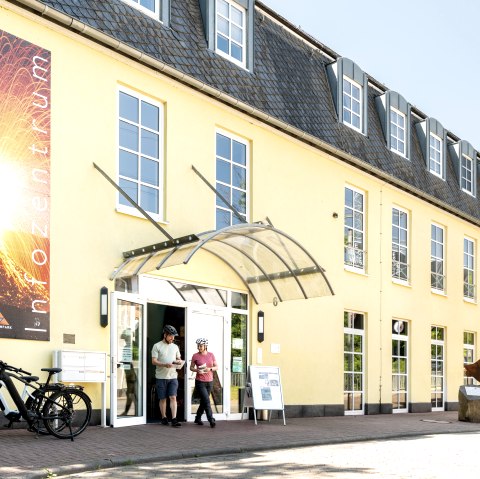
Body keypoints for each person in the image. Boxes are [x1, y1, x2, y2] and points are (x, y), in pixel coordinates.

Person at [151, 324, 184, 427]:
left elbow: (178, 358)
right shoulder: (157, 346)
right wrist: (164, 364)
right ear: (165, 335)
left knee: (173, 397)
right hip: (161, 377)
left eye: (174, 336)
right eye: (171, 336)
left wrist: (179, 362)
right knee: (163, 398)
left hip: (173, 376)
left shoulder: (175, 347)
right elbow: (154, 361)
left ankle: (174, 419)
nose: (173, 338)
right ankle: (164, 417)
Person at [189, 337, 218, 428]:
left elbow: (216, 366)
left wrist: (210, 369)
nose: (199, 347)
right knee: (207, 400)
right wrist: (197, 370)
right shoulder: (195, 356)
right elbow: (191, 367)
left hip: (209, 381)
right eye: (198, 346)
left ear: (205, 346)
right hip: (200, 382)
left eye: (201, 346)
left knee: (204, 401)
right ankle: (211, 419)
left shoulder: (211, 355)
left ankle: (198, 418)